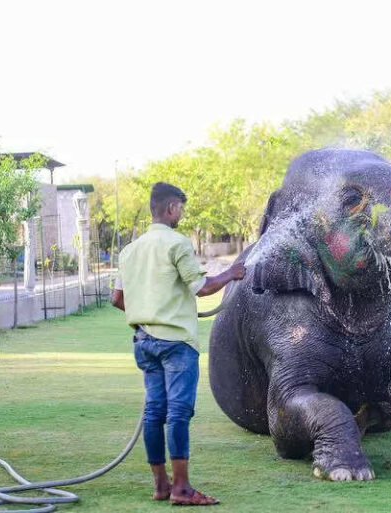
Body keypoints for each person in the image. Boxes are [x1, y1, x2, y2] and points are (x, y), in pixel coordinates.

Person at [112, 182, 245, 506]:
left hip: (143, 341)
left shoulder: (130, 250)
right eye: (180, 209)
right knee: (178, 413)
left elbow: (117, 299)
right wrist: (232, 273)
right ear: (170, 208)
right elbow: (202, 287)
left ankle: (161, 485)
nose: (181, 215)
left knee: (155, 412)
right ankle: (182, 488)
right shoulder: (177, 243)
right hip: (175, 344)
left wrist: (149, 309)